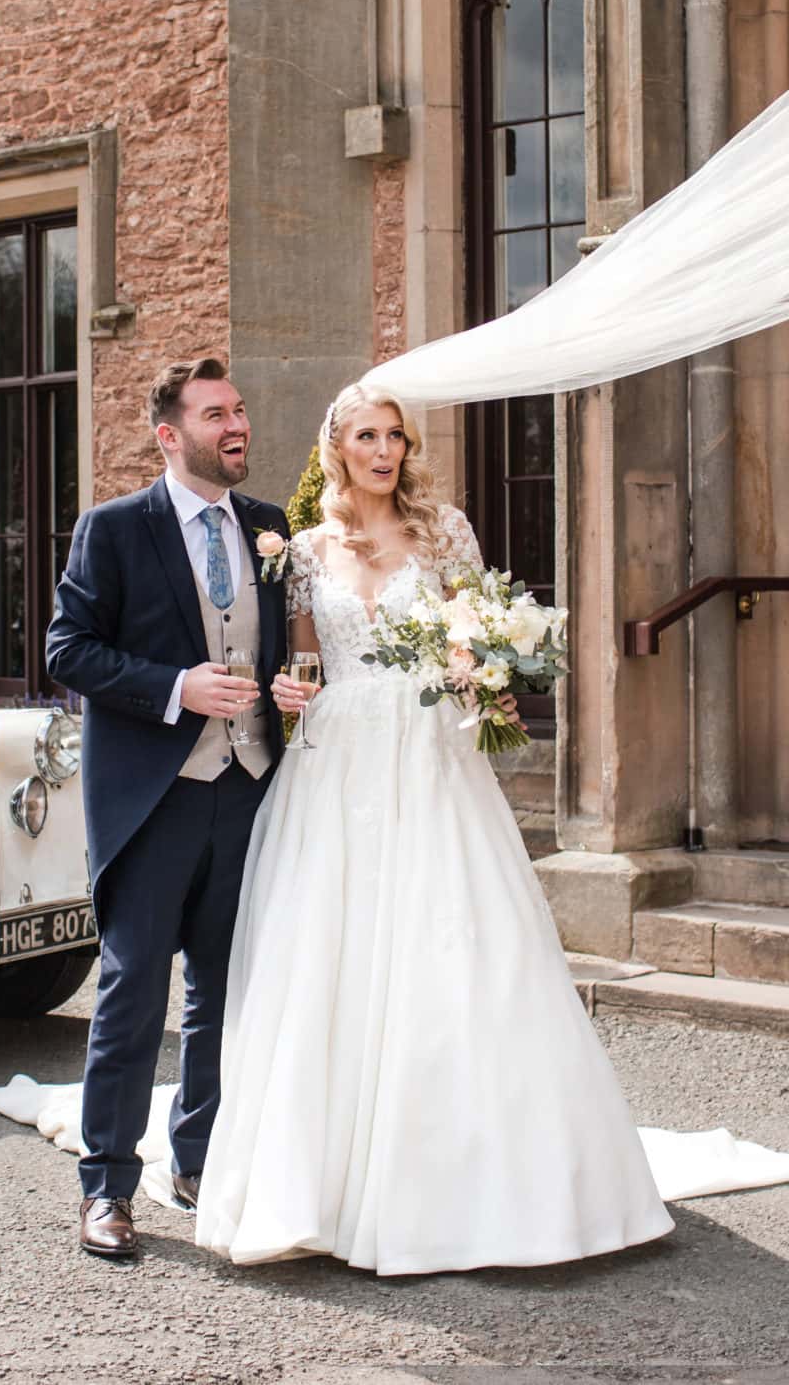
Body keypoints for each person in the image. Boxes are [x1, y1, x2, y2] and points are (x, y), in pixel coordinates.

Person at [185, 382, 677, 1273]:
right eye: (367, 436)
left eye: (396, 437)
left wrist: (482, 673)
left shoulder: (445, 529)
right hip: (337, 767)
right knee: (333, 958)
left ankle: (479, 1184)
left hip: (430, 755)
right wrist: (294, 691)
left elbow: (475, 637)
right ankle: (321, 1191)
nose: (384, 451)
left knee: (453, 951)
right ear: (337, 446)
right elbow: (302, 667)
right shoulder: (301, 550)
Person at [42, 356, 307, 1262]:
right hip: (156, 798)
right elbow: (68, 651)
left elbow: (280, 649)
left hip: (250, 788)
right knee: (131, 992)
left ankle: (197, 1161)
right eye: (215, 414)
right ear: (170, 435)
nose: (236, 425)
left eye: (239, 409)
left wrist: (284, 694)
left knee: (224, 993)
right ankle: (106, 1184)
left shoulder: (271, 528)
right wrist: (176, 687)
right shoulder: (113, 529)